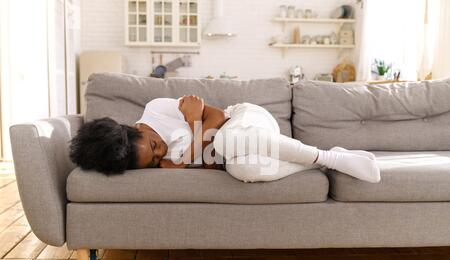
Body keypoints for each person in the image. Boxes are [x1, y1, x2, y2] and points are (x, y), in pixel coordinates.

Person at [70, 96, 381, 183]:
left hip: (248, 120)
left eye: (153, 145)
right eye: (152, 159)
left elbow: (218, 117)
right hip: (243, 152)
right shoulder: (154, 163)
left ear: (134, 127)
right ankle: (320, 165)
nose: (160, 152)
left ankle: (330, 157)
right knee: (243, 171)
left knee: (226, 143)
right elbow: (209, 164)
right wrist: (194, 123)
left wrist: (194, 147)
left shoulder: (156, 109)